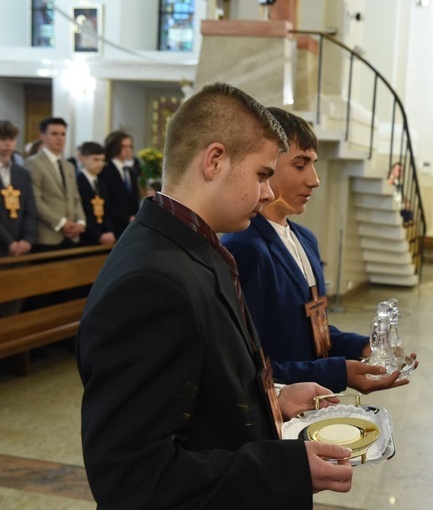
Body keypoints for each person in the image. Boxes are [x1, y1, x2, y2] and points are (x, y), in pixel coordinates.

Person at [77, 83, 354, 509]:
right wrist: (285, 467)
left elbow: (199, 392)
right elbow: (134, 478)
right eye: (263, 174)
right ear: (215, 161)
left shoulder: (192, 246)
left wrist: (272, 400)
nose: (267, 193)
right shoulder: (151, 284)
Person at [223, 107, 415, 393]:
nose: (314, 179)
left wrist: (362, 346)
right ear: (267, 165)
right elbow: (249, 366)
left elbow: (311, 329)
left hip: (314, 400)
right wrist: (339, 372)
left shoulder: (305, 238)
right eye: (300, 165)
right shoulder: (245, 248)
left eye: (313, 164)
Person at [25, 117, 85, 251]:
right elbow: (36, 201)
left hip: (72, 234)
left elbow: (75, 197)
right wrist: (62, 223)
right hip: (48, 236)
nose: (60, 138)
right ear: (42, 136)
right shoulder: (33, 163)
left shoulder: (69, 166)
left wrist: (80, 222)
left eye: (63, 134)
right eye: (54, 134)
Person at [0, 120, 37, 316]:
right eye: (2, 139)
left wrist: (27, 240)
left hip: (21, 249)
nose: (7, 144)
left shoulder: (22, 173)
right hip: (2, 247)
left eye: (11, 139)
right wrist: (10, 242)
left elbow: (30, 209)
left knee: (16, 303)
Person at [101, 130, 140, 238]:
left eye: (130, 146)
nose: (128, 150)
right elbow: (106, 202)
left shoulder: (131, 171)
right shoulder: (106, 170)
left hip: (131, 226)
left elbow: (134, 199)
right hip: (114, 225)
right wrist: (126, 218)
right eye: (124, 146)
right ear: (114, 148)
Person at [75, 142, 115, 246]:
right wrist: (98, 236)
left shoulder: (101, 183)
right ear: (83, 159)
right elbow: (82, 211)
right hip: (86, 238)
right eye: (96, 160)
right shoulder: (77, 181)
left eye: (102, 160)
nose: (100, 164)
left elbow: (107, 210)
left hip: (104, 236)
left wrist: (110, 232)